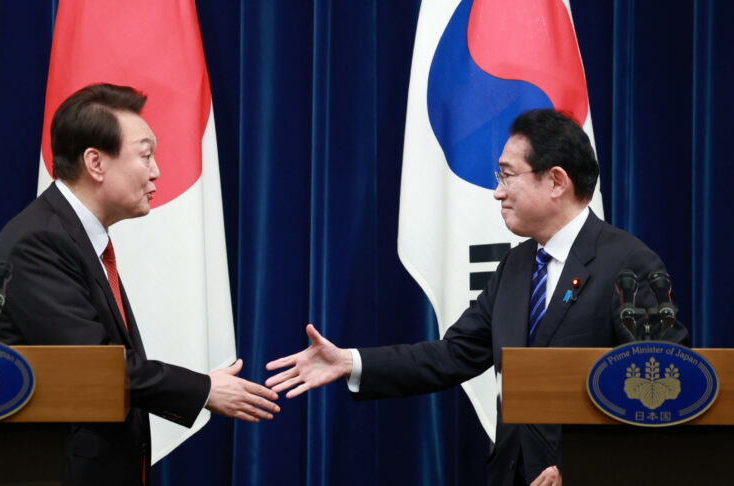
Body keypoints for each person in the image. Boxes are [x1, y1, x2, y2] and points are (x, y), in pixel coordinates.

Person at [265, 109, 689, 486]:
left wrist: (584, 467)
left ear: (556, 180)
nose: (497, 192)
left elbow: (665, 389)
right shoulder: (517, 266)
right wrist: (350, 362)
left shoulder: (629, 264)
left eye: (507, 175)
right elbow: (450, 355)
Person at [0, 83, 279, 486]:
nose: (156, 170)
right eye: (145, 155)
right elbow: (95, 366)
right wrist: (203, 389)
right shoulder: (38, 241)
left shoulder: (73, 235)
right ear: (96, 163)